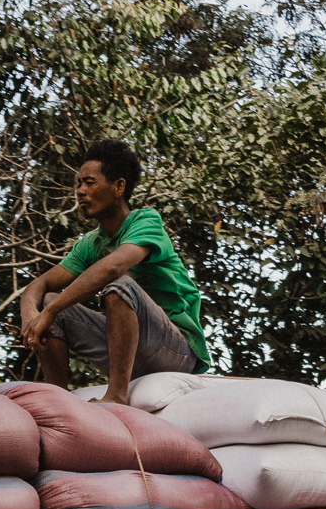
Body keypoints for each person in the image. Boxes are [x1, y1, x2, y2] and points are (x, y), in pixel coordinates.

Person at [18, 138, 211, 406]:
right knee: (50, 300)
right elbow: (40, 284)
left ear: (118, 186)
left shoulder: (146, 222)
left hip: (175, 350)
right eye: (79, 184)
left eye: (90, 182)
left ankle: (116, 396)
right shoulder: (91, 243)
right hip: (129, 350)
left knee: (119, 286)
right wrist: (31, 316)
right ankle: (57, 397)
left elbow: (113, 267)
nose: (80, 191)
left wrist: (48, 314)